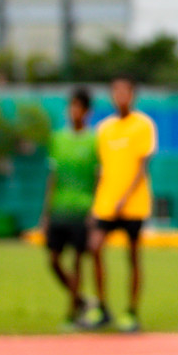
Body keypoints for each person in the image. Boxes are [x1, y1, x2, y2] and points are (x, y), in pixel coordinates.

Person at [80, 76, 156, 333]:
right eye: (116, 91)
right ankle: (102, 307)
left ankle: (132, 312)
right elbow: (100, 170)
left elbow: (142, 167)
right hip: (107, 203)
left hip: (133, 204)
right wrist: (97, 202)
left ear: (133, 94)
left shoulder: (143, 125)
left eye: (125, 91)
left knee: (133, 256)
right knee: (95, 247)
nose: (121, 95)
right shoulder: (104, 129)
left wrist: (125, 197)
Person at [42, 87, 100, 325]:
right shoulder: (58, 138)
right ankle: (80, 298)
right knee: (53, 260)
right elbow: (52, 177)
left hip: (82, 209)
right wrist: (45, 213)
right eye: (71, 106)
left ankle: (72, 312)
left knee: (78, 261)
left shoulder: (94, 140)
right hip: (59, 208)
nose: (74, 111)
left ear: (87, 111)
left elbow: (99, 178)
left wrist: (95, 210)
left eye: (79, 107)